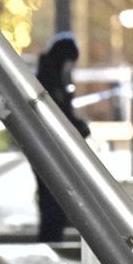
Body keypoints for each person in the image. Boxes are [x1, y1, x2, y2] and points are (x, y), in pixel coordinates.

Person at [34, 32, 90, 242]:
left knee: (53, 197)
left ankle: (51, 235)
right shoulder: (50, 80)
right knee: (52, 198)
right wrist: (78, 127)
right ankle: (50, 237)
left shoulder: (51, 76)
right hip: (49, 148)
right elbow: (59, 114)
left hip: (50, 147)